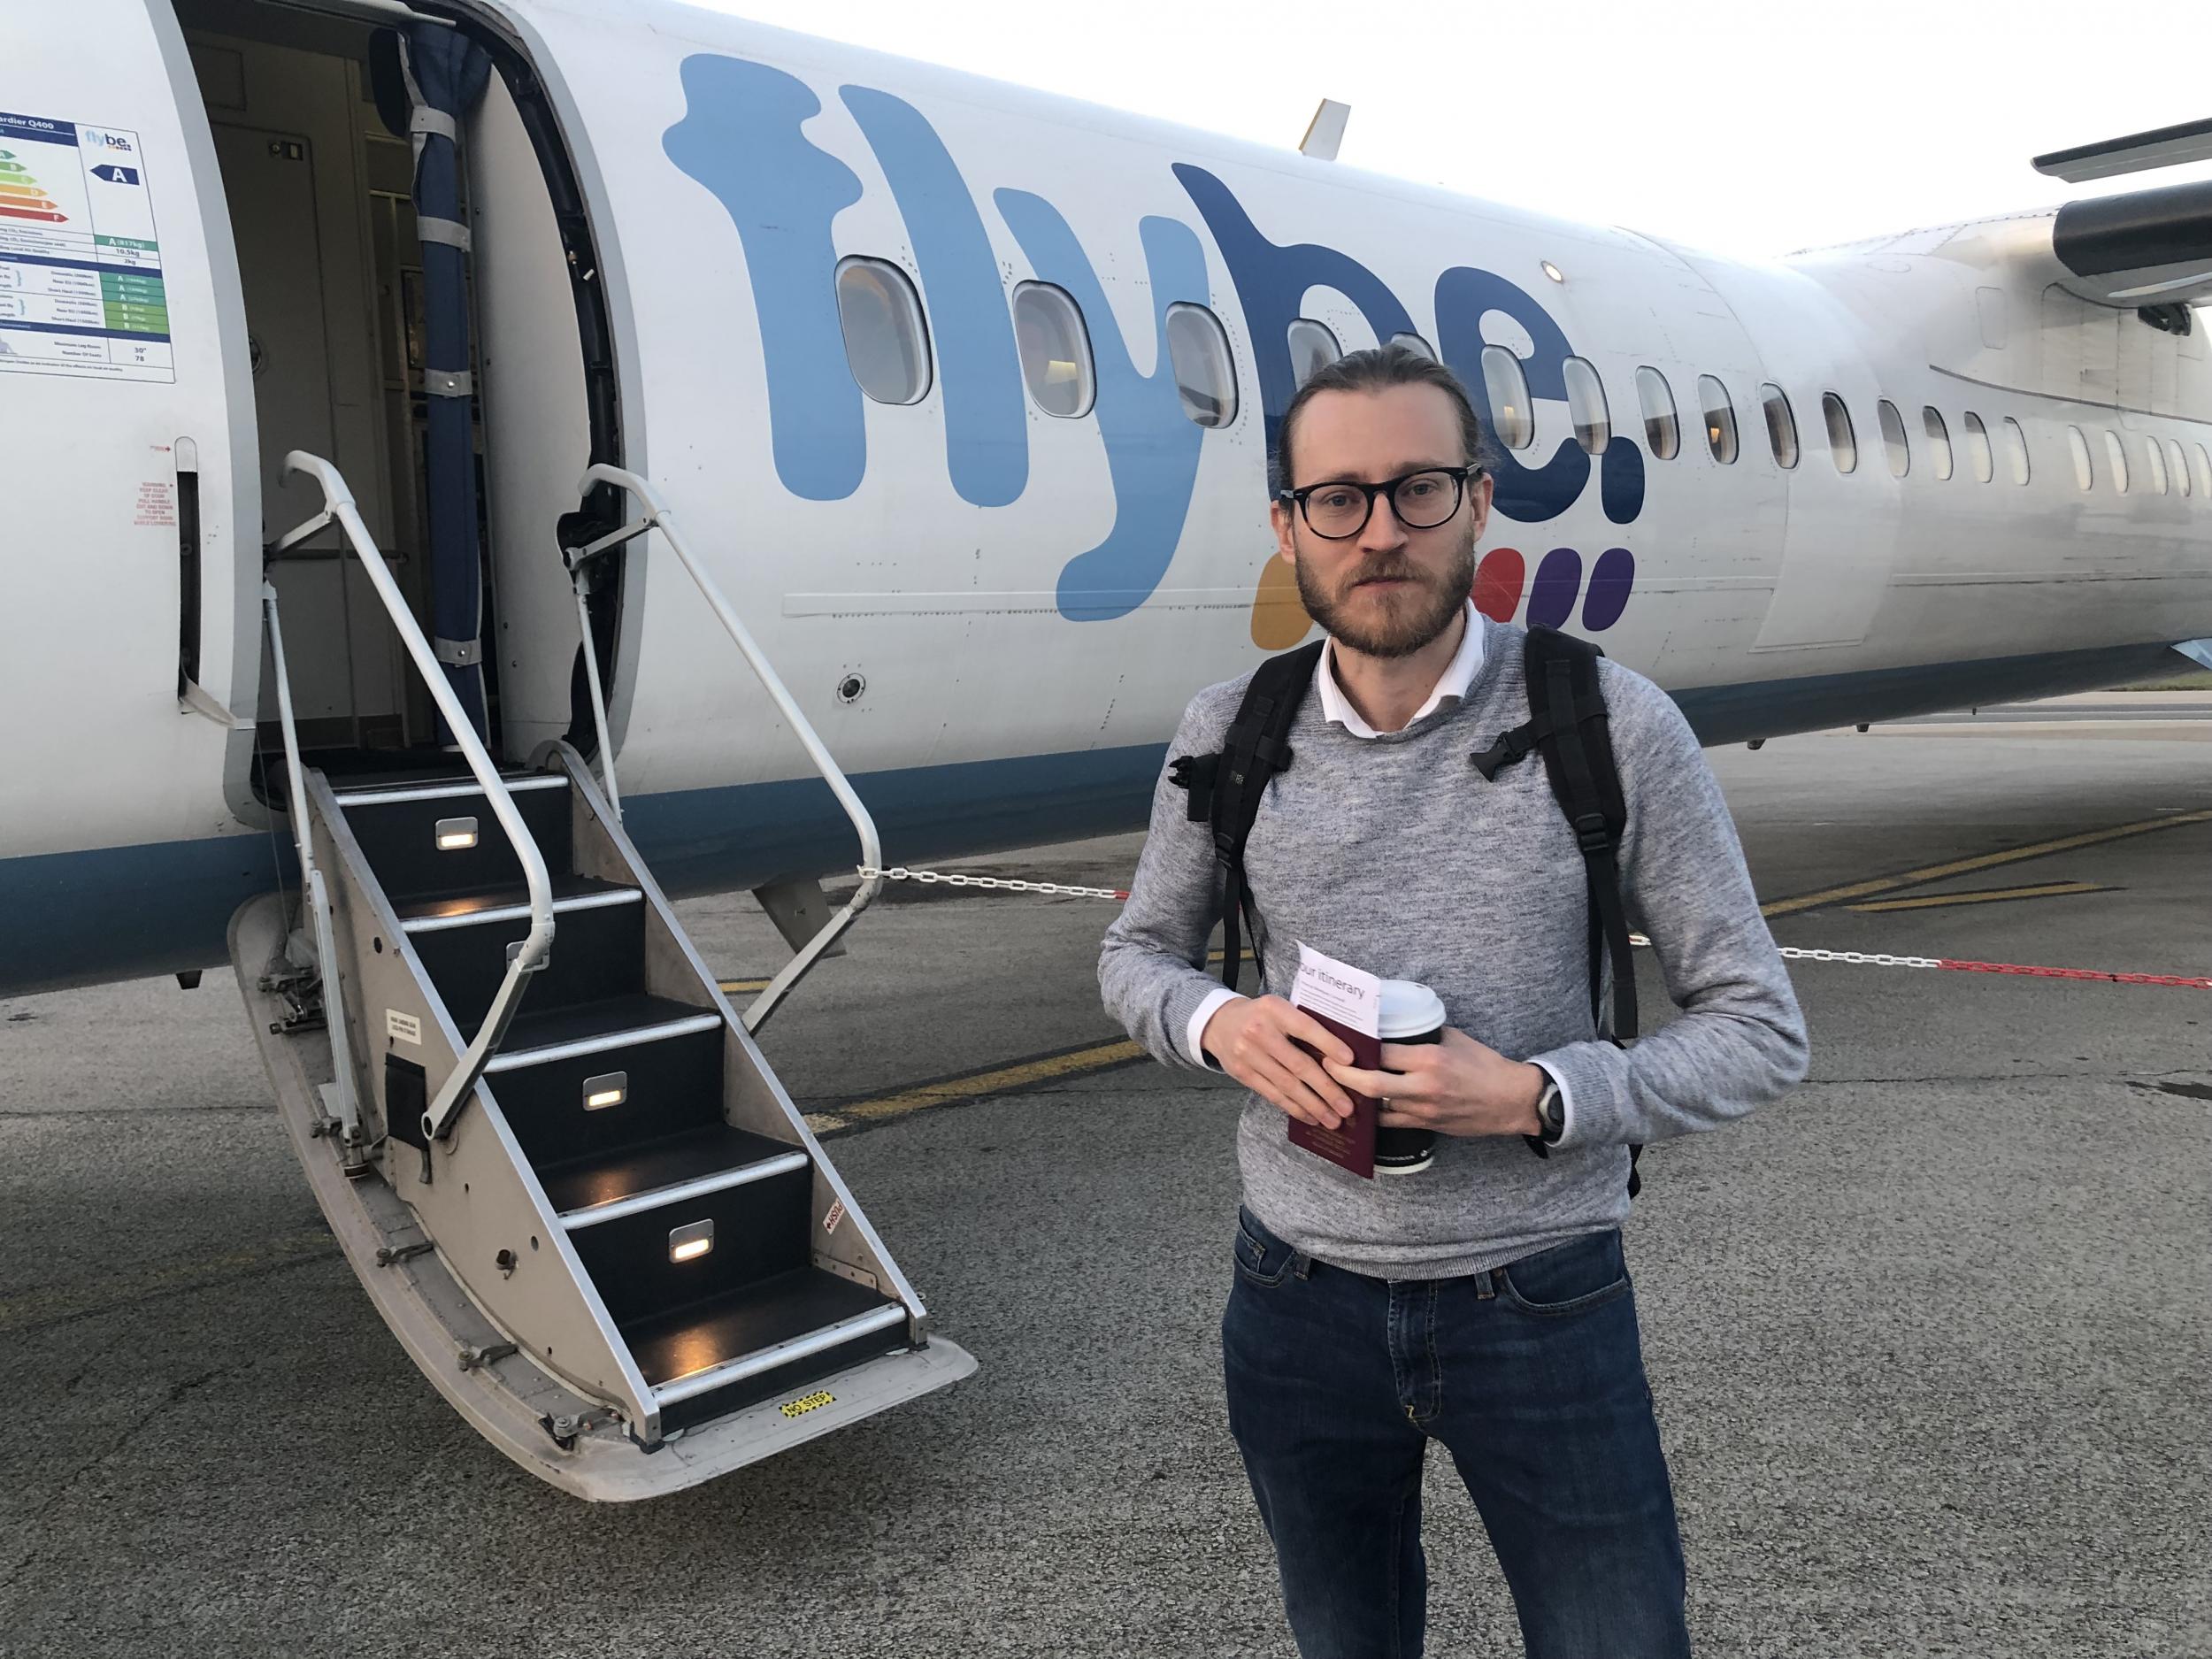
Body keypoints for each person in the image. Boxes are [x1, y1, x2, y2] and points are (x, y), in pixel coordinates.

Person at [1097, 344, 1809, 1659]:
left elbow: (1760, 1028)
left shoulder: (1610, 720)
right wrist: (1222, 1023)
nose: (1379, 531)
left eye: (1418, 490)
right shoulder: (1228, 729)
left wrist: (1542, 1096)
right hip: (1293, 1296)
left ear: (1479, 502)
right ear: (1288, 525)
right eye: (1339, 498)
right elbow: (1137, 953)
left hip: (1542, 1303)